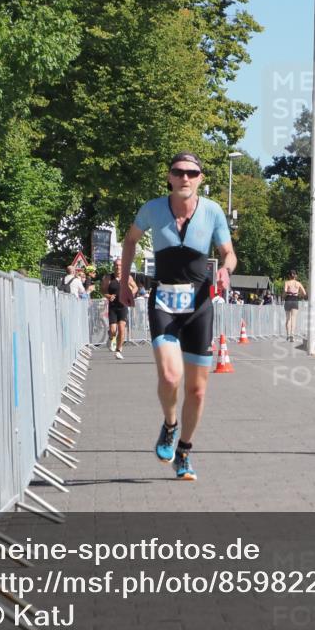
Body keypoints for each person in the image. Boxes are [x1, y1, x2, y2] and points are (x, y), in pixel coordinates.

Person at [119, 152, 236, 481]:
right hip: (165, 302)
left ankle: (184, 450)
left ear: (200, 177)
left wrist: (225, 271)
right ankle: (170, 425)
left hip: (199, 305)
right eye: (178, 172)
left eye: (192, 172)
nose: (185, 177)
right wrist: (126, 280)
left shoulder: (212, 211)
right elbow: (130, 241)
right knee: (171, 377)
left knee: (197, 390)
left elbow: (228, 254)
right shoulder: (153, 209)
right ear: (169, 177)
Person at [102, 258, 138, 359]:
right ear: (114, 266)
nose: (118, 267)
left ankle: (118, 350)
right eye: (116, 265)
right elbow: (103, 290)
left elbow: (135, 287)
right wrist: (108, 296)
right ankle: (110, 337)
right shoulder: (108, 278)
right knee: (113, 330)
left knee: (122, 329)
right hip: (113, 307)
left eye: (120, 265)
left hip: (123, 306)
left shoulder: (128, 277)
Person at [283, 270, 306, 342]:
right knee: (294, 318)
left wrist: (283, 296)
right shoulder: (298, 283)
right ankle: (292, 335)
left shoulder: (287, 282)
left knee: (288, 318)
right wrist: (299, 295)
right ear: (295, 275)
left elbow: (285, 291)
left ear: (289, 276)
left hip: (288, 299)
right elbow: (304, 293)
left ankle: (288, 335)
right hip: (295, 299)